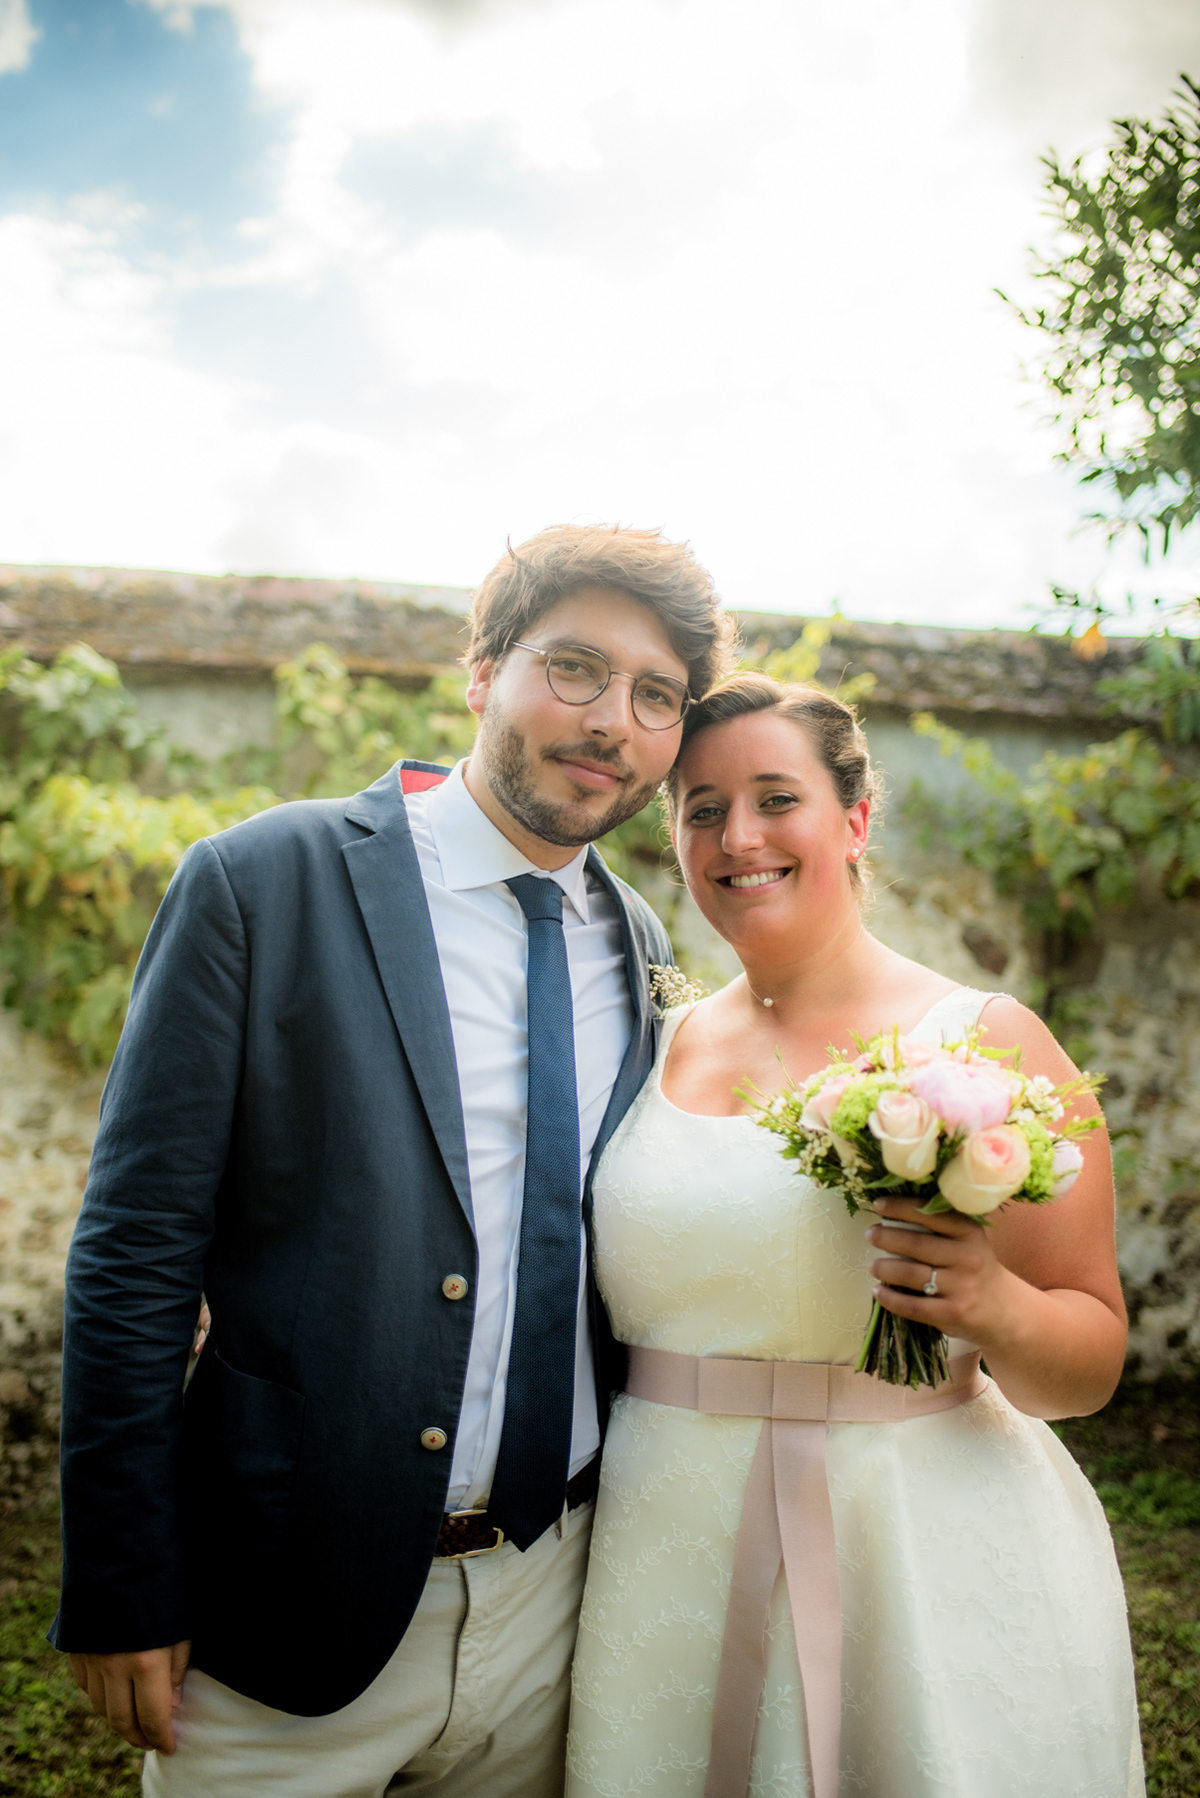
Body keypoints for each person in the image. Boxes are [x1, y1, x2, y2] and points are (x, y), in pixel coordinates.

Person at [52, 523, 736, 1798]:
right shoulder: (262, 882)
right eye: (575, 668)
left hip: (556, 1596)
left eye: (658, 694)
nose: (613, 721)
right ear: (482, 671)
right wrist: (120, 1575)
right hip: (286, 1593)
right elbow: (134, 1251)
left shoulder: (637, 939)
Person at [567, 673, 1144, 1798]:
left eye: (777, 798)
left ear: (855, 820)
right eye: (702, 809)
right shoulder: (650, 1042)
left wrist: (996, 1307)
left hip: (917, 1555)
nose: (739, 837)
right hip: (662, 1545)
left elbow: (1088, 1366)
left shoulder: (985, 1040)